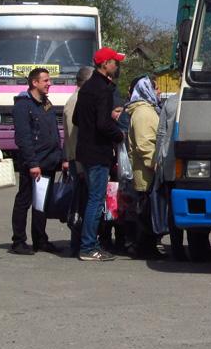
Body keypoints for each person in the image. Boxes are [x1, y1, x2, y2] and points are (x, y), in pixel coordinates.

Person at [73, 47, 125, 261]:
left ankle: (87, 243)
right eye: (114, 62)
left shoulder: (86, 88)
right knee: (96, 199)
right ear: (105, 65)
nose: (117, 65)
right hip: (98, 152)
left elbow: (77, 118)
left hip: (85, 150)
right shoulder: (103, 90)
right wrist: (118, 134)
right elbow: (103, 124)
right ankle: (88, 247)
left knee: (91, 198)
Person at [10, 68, 67, 254]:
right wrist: (33, 163)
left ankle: (40, 239)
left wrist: (61, 157)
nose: (49, 83)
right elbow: (23, 137)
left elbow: (53, 132)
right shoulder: (22, 105)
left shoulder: (45, 103)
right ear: (34, 83)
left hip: (49, 161)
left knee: (41, 202)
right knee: (24, 201)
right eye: (45, 80)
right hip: (33, 163)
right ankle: (18, 241)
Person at [124, 74, 160, 257]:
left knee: (147, 211)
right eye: (156, 88)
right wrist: (153, 164)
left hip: (147, 170)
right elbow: (144, 143)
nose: (159, 91)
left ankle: (148, 246)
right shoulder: (143, 112)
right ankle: (145, 248)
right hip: (147, 171)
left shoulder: (146, 109)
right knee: (145, 211)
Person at [63, 66, 93, 256]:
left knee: (83, 202)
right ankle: (79, 243)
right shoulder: (75, 101)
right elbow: (74, 138)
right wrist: (80, 167)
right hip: (79, 161)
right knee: (81, 203)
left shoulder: (81, 99)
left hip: (79, 160)